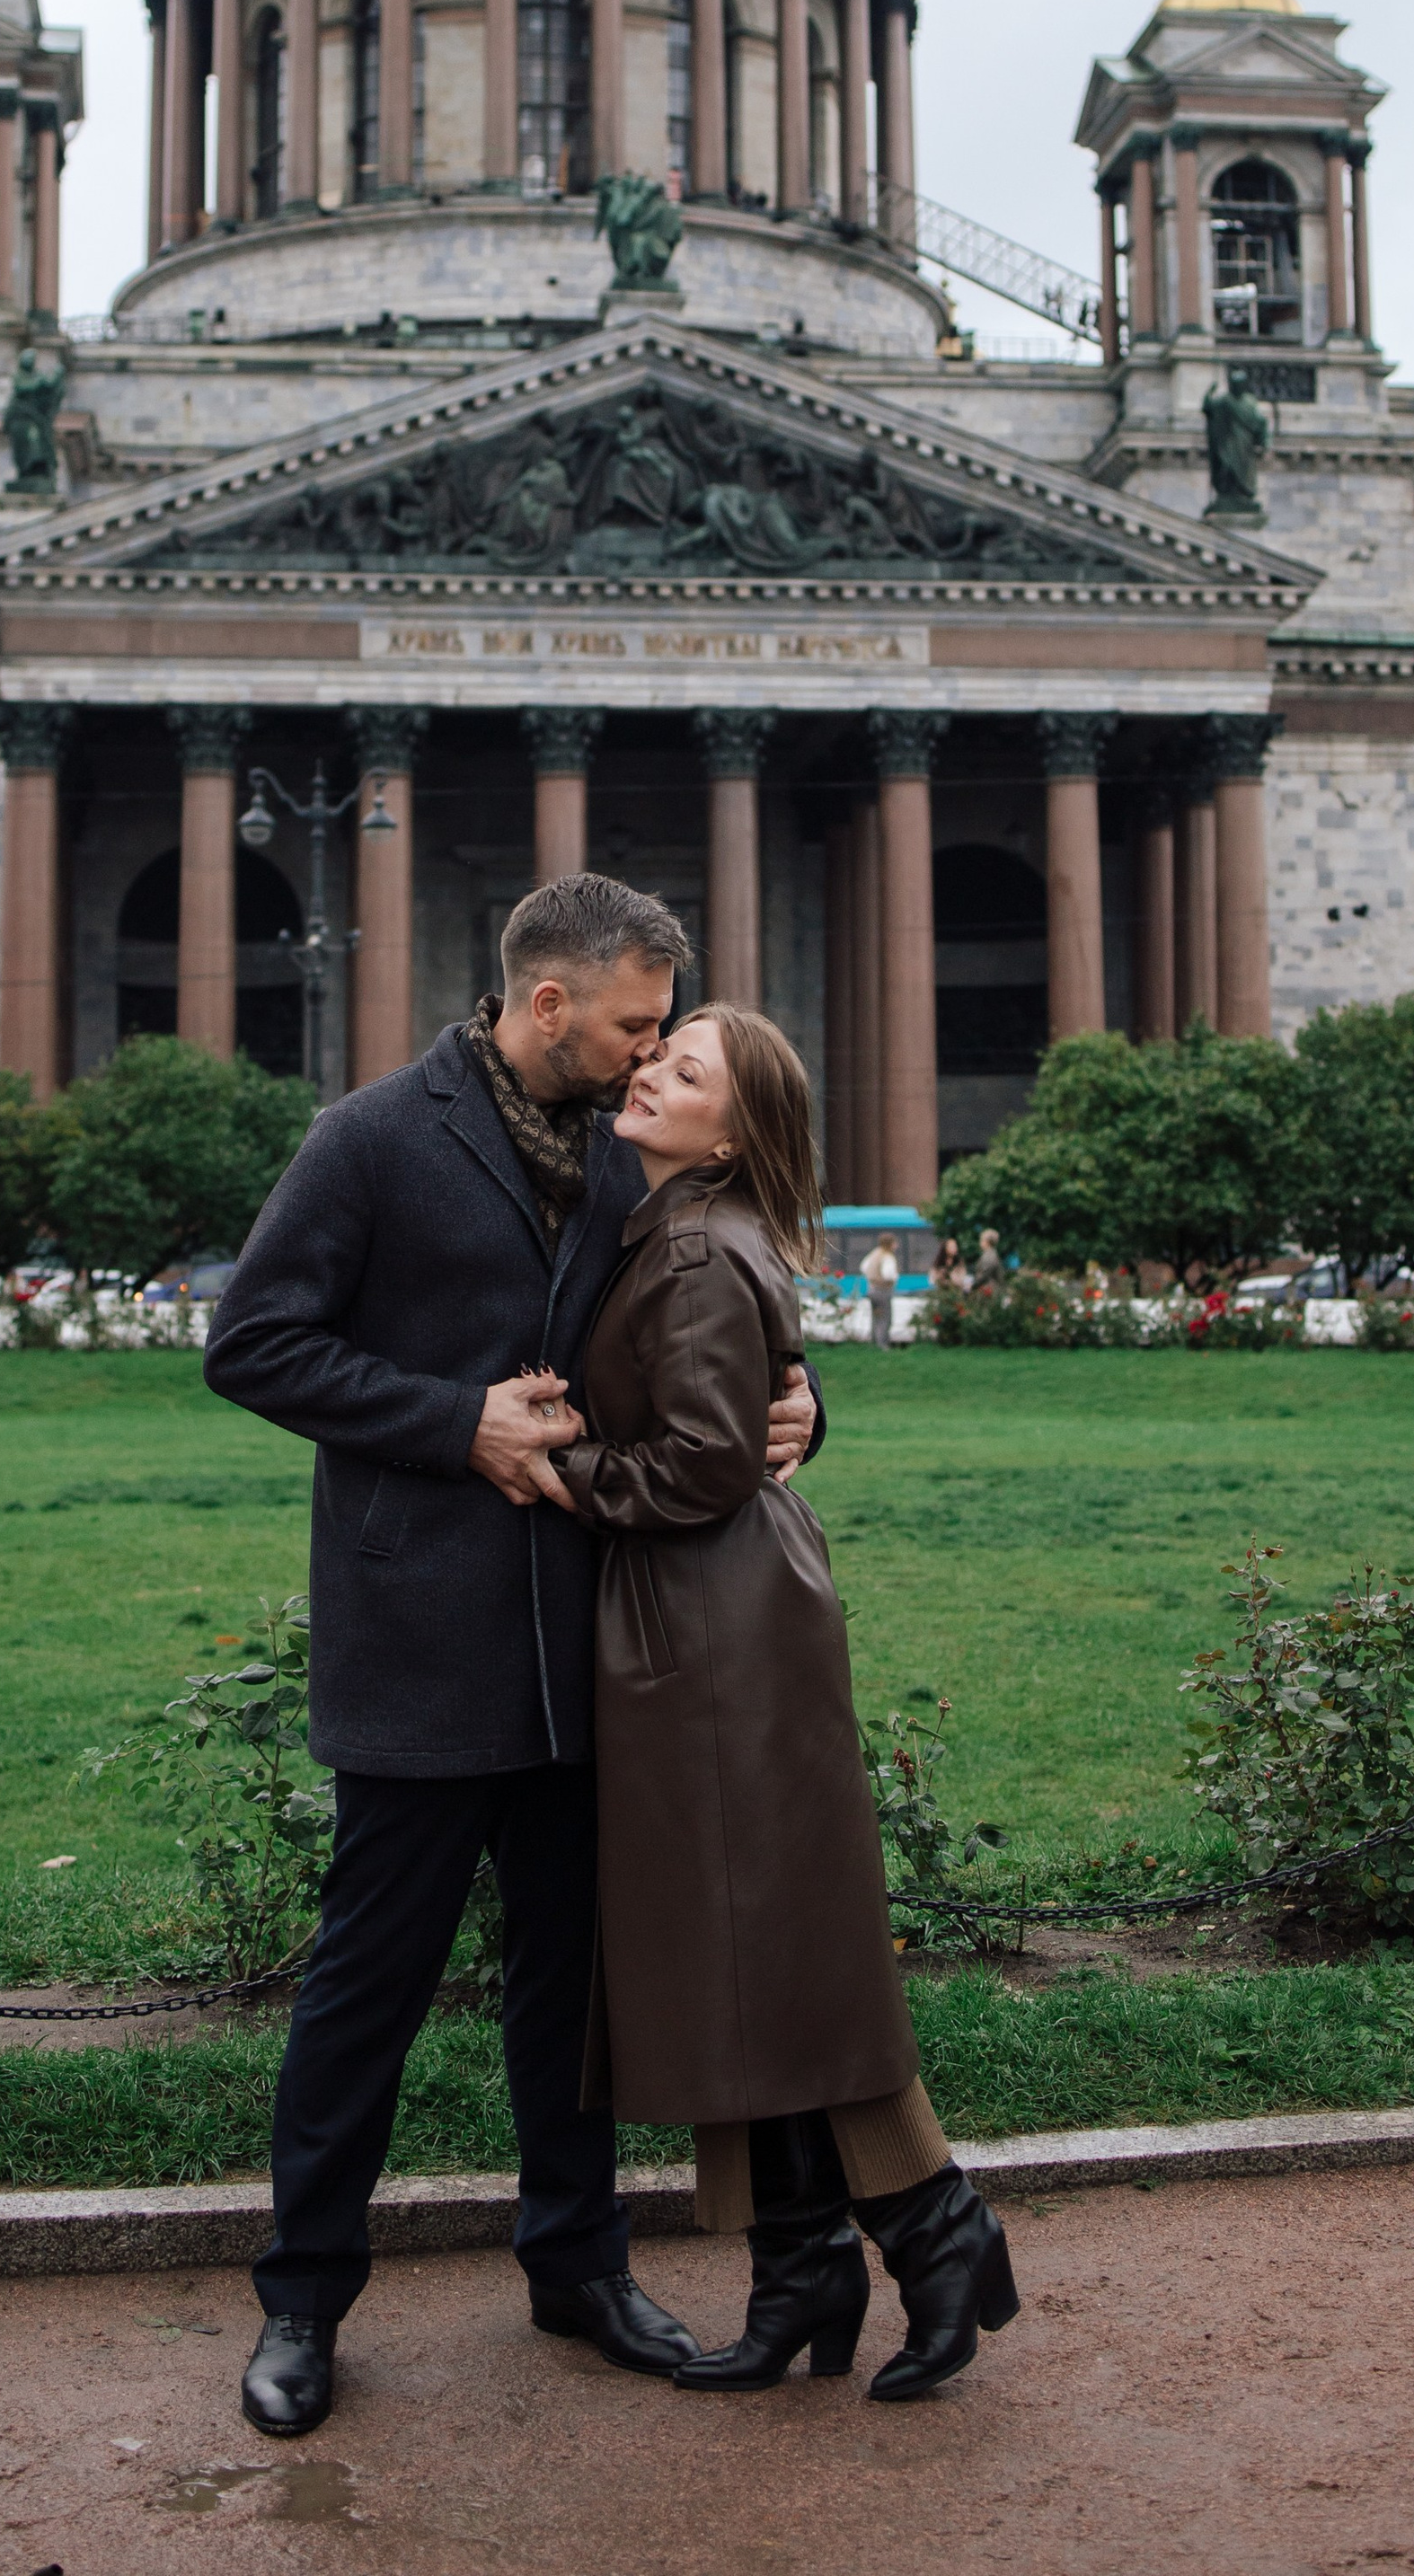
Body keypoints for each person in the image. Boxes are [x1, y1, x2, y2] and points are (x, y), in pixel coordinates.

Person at [202, 876, 821, 2438]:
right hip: (421, 1641)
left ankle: (578, 2268)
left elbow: (731, 1317)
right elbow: (252, 1342)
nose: (647, 1055)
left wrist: (809, 1407)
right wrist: (449, 1419)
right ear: (549, 1005)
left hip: (600, 1644)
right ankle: (303, 2301)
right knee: (368, 1993)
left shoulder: (636, 1159)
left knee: (572, 1995)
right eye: (631, 1023)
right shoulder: (370, 1139)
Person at [557, 1003, 1020, 2400]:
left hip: (711, 1622)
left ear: (737, 1132)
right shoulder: (687, 1224)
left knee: (763, 1959)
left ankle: (911, 2238)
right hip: (722, 1613)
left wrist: (555, 1473)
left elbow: (700, 1464)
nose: (646, 1070)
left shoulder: (693, 1243)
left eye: (682, 1070)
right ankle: (831, 2259)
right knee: (747, 1963)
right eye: (655, 1052)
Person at [858, 1233, 899, 1347]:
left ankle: (874, 1342)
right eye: (895, 1243)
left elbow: (863, 1267)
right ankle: (883, 1344)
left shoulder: (875, 1253)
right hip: (883, 1291)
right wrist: (895, 1277)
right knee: (885, 1318)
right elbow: (888, 1275)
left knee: (876, 1317)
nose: (897, 1245)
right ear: (890, 1244)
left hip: (872, 1289)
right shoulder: (887, 1256)